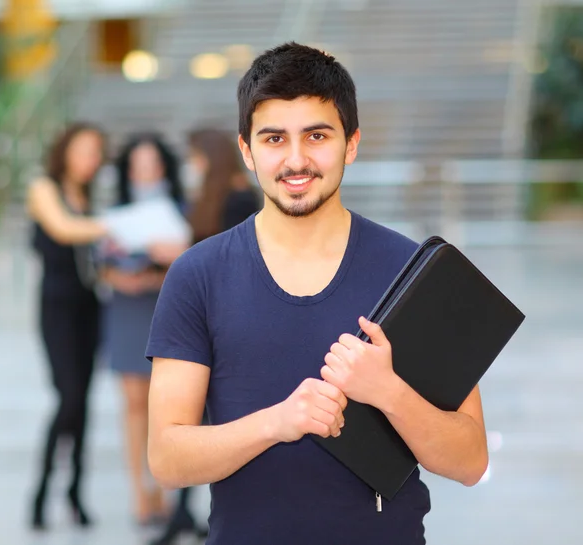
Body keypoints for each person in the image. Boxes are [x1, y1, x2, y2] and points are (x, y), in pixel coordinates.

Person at [145, 43, 489, 545]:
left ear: (351, 144)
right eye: (274, 138)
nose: (296, 159)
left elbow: (470, 460)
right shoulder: (198, 275)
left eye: (317, 135)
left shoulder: (408, 271)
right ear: (247, 150)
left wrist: (389, 392)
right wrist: (278, 422)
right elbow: (166, 457)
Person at [149, 128, 259, 545]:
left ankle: (188, 513)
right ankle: (181, 512)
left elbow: (226, 260)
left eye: (196, 157)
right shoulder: (214, 195)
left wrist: (178, 256)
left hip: (225, 322)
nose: (193, 166)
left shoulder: (238, 198)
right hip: (205, 318)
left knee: (212, 420)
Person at [100, 133, 188, 526]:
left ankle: (162, 493)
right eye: (139, 165)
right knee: (133, 404)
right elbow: (99, 262)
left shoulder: (183, 209)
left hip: (167, 310)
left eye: (152, 164)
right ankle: (139, 493)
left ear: (165, 167)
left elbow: (195, 258)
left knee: (164, 406)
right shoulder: (115, 211)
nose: (146, 172)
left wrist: (167, 260)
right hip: (128, 310)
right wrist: (119, 278)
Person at [27, 122, 108, 530]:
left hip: (89, 307)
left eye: (96, 152)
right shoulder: (45, 187)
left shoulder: (88, 195)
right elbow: (62, 228)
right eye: (84, 150)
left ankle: (76, 493)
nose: (90, 160)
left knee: (85, 404)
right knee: (69, 398)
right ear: (66, 151)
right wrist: (117, 225)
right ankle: (41, 492)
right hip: (56, 308)